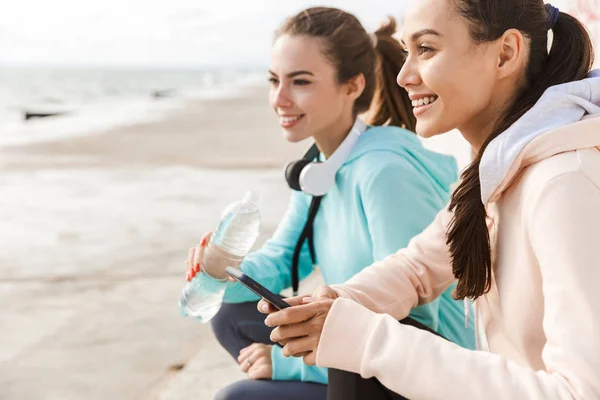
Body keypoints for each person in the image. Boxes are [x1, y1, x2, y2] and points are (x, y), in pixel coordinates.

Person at [262, 0, 600, 399]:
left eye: (426, 49)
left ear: (505, 54)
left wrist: (366, 340)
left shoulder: (564, 183)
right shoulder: (494, 171)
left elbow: (581, 393)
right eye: (407, 52)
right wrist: (338, 299)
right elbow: (418, 267)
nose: (404, 76)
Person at [185, 6, 476, 400]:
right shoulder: (317, 167)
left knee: (235, 398)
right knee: (229, 314)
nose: (280, 99)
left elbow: (413, 323)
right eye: (275, 81)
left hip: (420, 374)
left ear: (353, 86)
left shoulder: (386, 173)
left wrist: (290, 363)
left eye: (300, 82)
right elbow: (282, 260)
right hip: (351, 339)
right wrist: (219, 270)